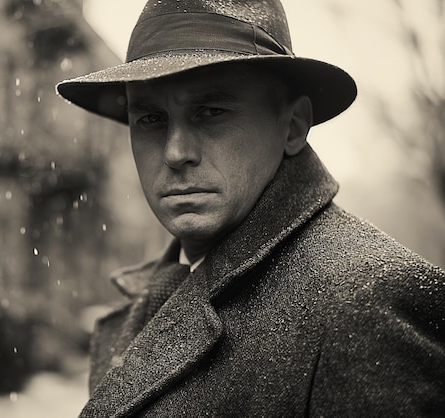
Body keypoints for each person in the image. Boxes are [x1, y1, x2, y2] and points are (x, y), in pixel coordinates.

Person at [56, 0, 445, 416]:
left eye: (211, 111)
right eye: (151, 118)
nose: (175, 152)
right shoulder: (148, 296)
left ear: (292, 126)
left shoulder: (366, 302)